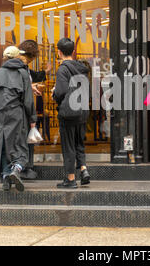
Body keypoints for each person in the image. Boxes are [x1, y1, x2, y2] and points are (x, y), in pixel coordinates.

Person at [0, 46, 37, 191]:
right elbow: (28, 100)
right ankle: (16, 170)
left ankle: (5, 177)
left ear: (4, 58)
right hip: (16, 113)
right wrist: (32, 118)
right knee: (19, 145)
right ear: (17, 57)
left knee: (1, 145)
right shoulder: (22, 73)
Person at [51, 38, 90, 188]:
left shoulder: (63, 69)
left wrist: (54, 93)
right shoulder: (82, 68)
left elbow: (61, 92)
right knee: (79, 142)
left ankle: (71, 179)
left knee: (68, 146)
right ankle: (84, 169)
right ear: (73, 51)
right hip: (82, 111)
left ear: (59, 52)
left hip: (68, 112)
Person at [17, 40, 52, 180]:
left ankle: (25, 167)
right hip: (22, 109)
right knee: (24, 140)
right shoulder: (21, 68)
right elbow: (21, 84)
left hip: (22, 108)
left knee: (25, 139)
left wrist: (31, 86)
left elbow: (28, 78)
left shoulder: (21, 67)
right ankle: (24, 168)